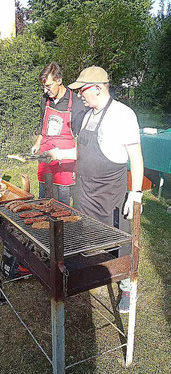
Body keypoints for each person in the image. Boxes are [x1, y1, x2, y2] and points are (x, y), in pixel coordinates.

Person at [47, 66, 144, 313]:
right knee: (86, 236)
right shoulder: (90, 115)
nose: (79, 95)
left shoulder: (123, 115)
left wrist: (135, 194)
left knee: (121, 244)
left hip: (111, 194)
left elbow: (137, 157)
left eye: (83, 90)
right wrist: (61, 154)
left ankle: (127, 288)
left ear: (98, 88)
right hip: (86, 192)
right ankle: (89, 275)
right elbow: (84, 152)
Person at [31, 62, 87, 205]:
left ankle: (65, 227)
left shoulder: (76, 102)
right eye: (43, 86)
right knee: (43, 197)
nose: (45, 90)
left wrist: (78, 164)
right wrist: (38, 142)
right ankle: (43, 225)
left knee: (62, 202)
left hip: (65, 160)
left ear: (59, 80)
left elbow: (82, 138)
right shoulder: (45, 99)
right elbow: (42, 124)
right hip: (45, 155)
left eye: (48, 86)